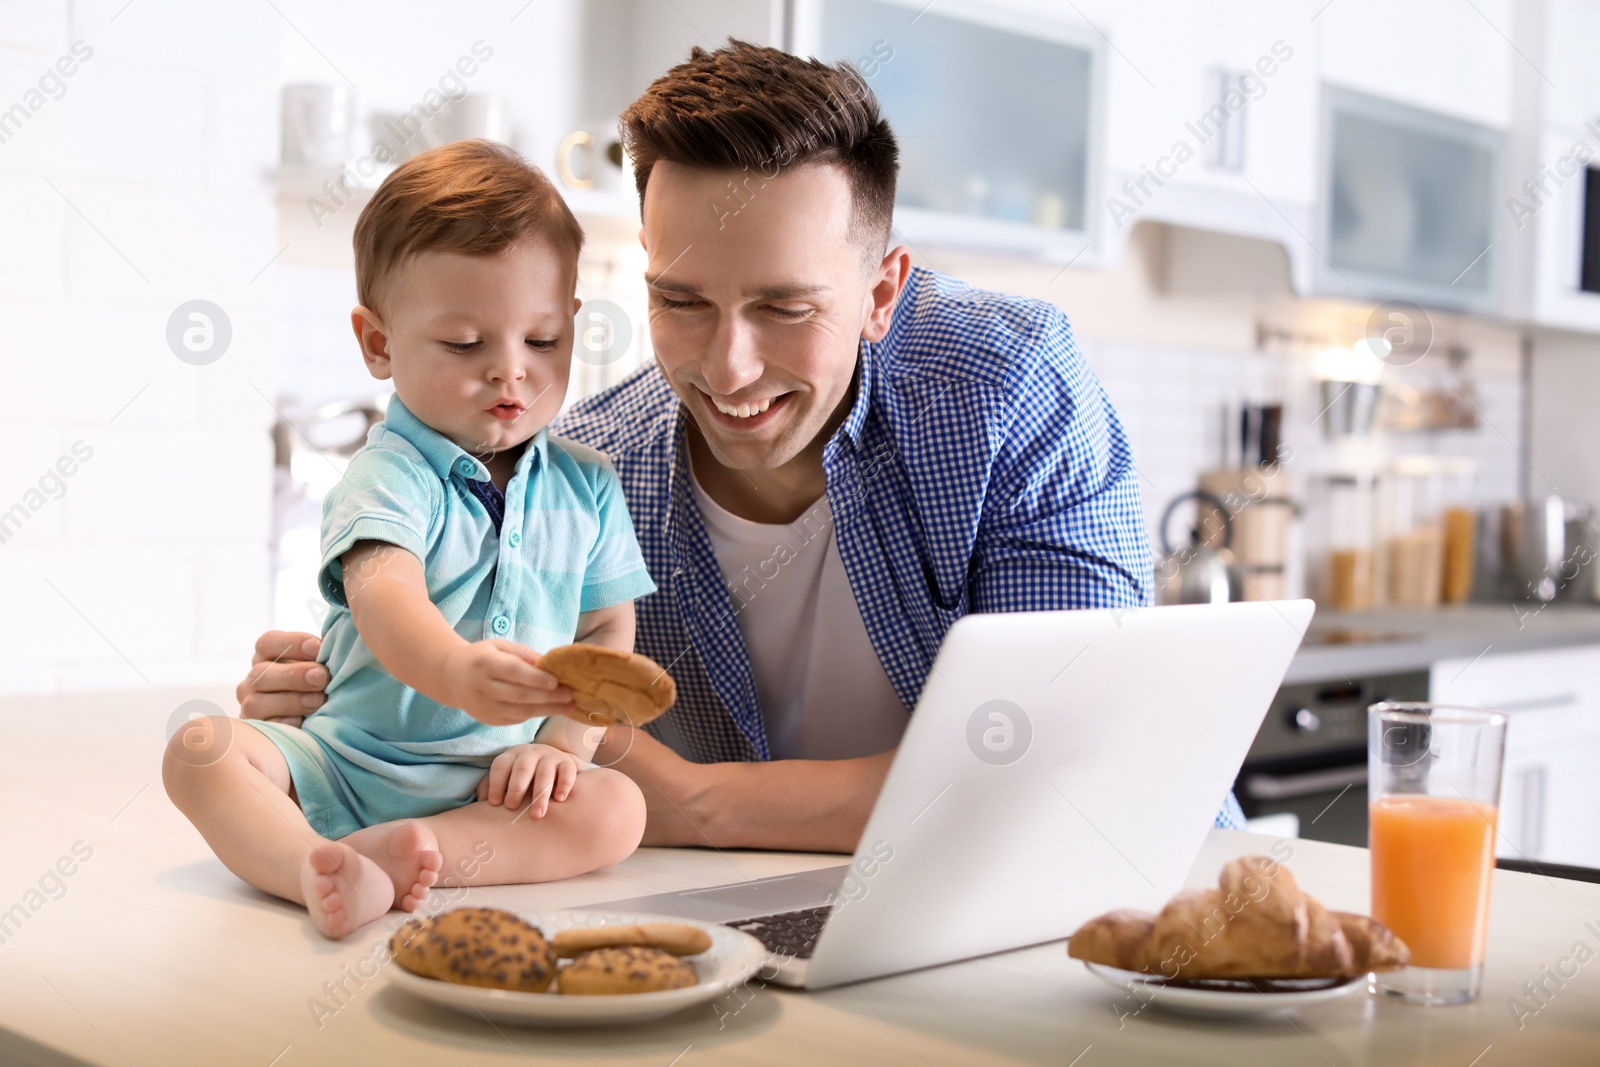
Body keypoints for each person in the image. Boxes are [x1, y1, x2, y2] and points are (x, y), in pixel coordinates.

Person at [237, 42, 1246, 856]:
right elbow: (499, 721)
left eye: (784, 306)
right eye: (680, 301)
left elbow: (1065, 759)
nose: (728, 365)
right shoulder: (590, 468)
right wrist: (358, 698)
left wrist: (695, 802)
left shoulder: (1004, 388)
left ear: (881, 292)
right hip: (771, 909)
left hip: (1107, 897)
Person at [165, 141, 654, 939]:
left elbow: (604, 630)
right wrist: (456, 669)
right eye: (466, 344)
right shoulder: (388, 475)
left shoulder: (590, 485)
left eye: (543, 342)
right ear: (378, 343)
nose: (511, 373)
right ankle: (305, 862)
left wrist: (565, 744)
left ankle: (396, 857)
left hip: (489, 787)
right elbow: (385, 594)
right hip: (344, 762)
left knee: (617, 810)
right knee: (199, 749)